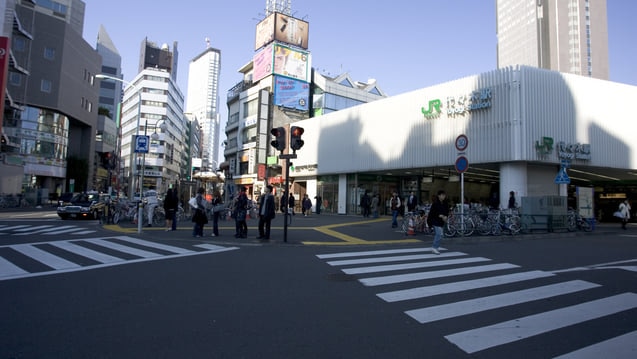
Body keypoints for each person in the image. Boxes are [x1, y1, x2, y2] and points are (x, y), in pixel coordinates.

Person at [427, 190, 449, 254]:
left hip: (441, 221)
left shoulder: (445, 203)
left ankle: (436, 246)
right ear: (439, 196)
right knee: (438, 234)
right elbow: (432, 213)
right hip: (435, 220)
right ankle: (434, 247)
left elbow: (447, 211)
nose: (443, 196)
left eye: (444, 195)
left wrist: (445, 216)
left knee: (440, 234)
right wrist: (439, 215)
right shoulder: (435, 203)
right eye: (442, 195)